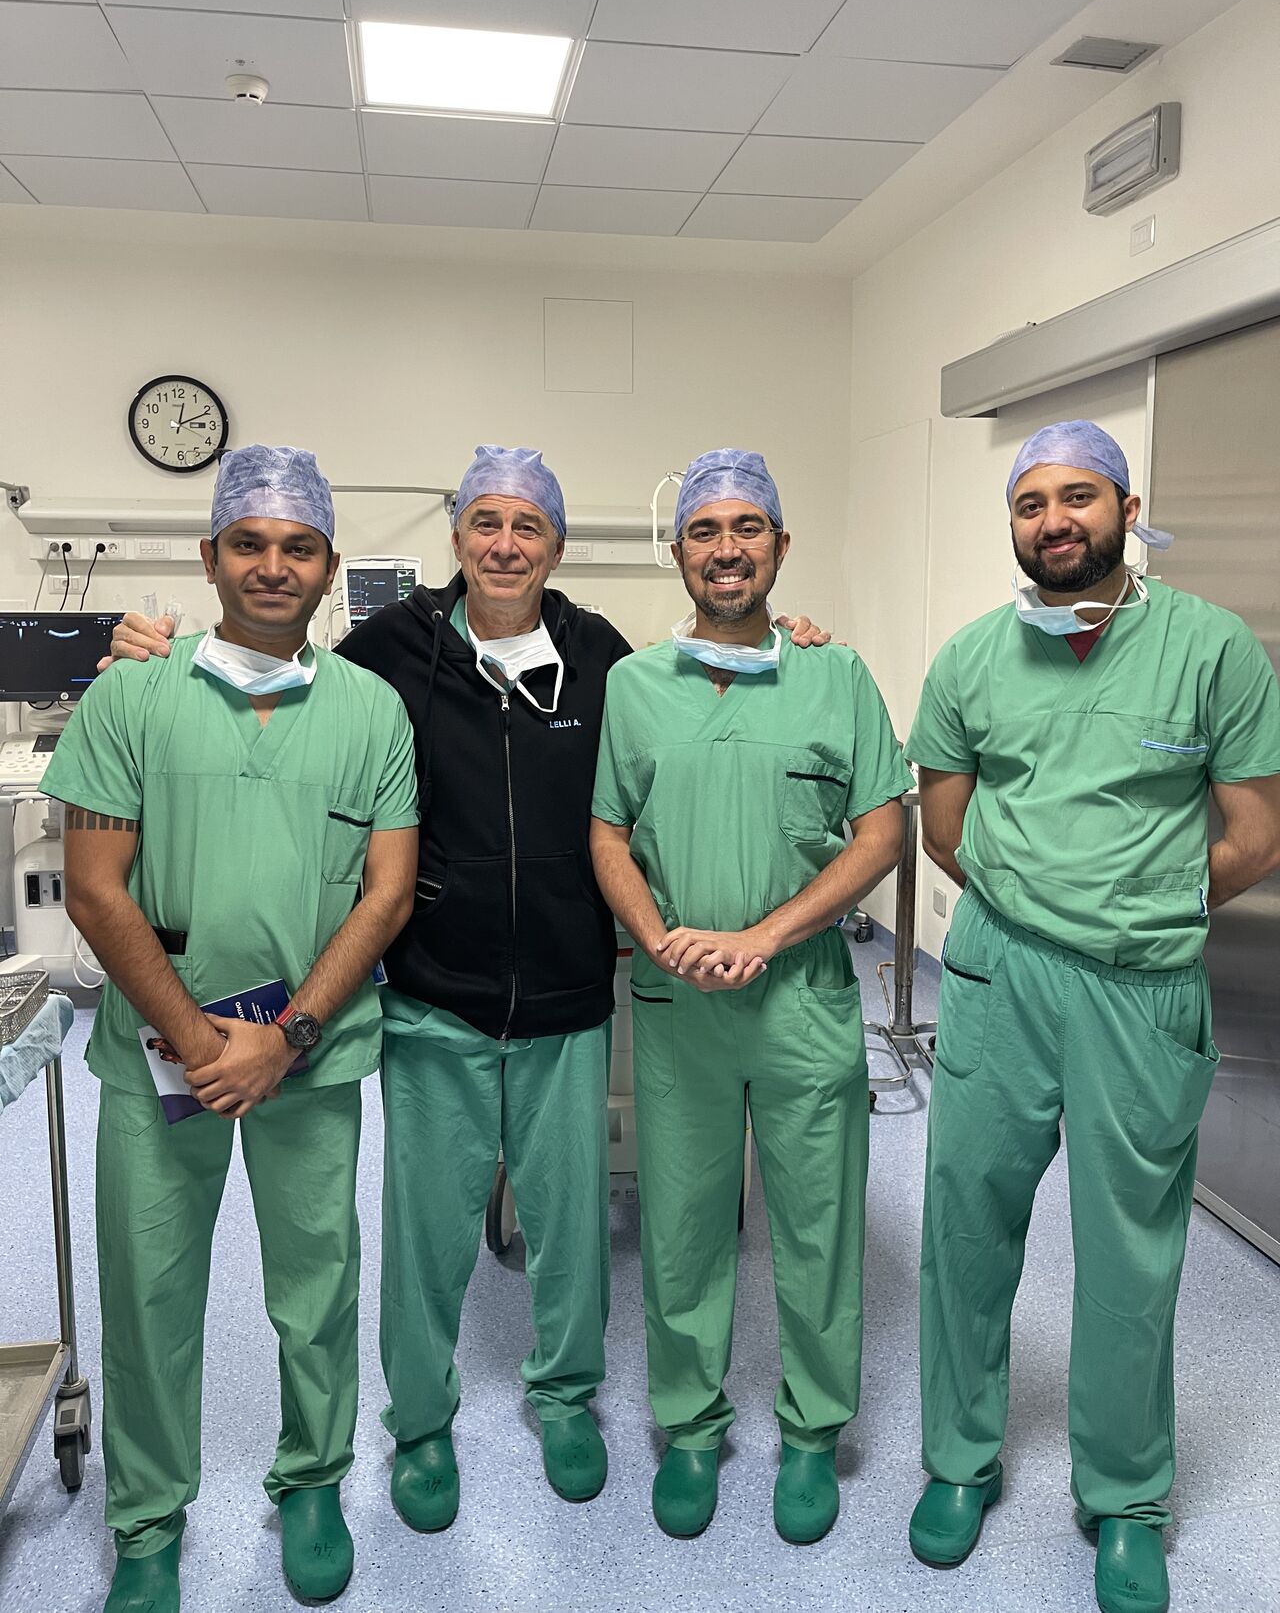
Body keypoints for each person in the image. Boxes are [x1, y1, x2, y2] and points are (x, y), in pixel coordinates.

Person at [105, 445, 833, 1535]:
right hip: (430, 993)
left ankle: (564, 1393)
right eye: (484, 522)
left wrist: (794, 644)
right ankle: (422, 1419)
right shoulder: (388, 652)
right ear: (456, 539)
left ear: (556, 545)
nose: (503, 544)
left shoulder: (600, 657)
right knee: (426, 1229)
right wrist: (149, 646)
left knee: (567, 1219)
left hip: (566, 991)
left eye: (526, 526)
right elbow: (277, 672)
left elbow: (661, 762)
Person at [904, 421, 1280, 1613]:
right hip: (998, 980)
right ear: (1010, 526)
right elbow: (944, 831)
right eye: (1028, 505)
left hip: (1140, 987)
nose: (1052, 521)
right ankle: (957, 1462)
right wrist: (1041, 911)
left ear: (1124, 506)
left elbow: (1255, 833)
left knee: (1130, 1256)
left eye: (1076, 498)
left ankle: (1124, 1498)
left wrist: (1139, 905)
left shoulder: (1212, 650)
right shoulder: (967, 658)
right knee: (965, 1230)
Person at [48, 446, 418, 1613]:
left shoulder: (369, 710)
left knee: (317, 1281)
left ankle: (311, 1480)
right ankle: (149, 1523)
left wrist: (288, 1036)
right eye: (248, 545)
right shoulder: (130, 697)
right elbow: (97, 888)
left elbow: (387, 894)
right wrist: (204, 1045)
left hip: (309, 1052)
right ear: (210, 558)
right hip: (162, 1056)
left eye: (296, 547)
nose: (272, 567)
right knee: (150, 1287)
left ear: (327, 569)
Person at [589, 449, 910, 1544]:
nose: (725, 549)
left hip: (803, 993)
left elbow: (883, 831)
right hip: (678, 1000)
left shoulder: (837, 677)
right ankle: (689, 1427)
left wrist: (767, 936)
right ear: (676, 551)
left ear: (779, 545)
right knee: (680, 1223)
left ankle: (812, 1433)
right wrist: (654, 938)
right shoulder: (634, 688)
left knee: (818, 1226)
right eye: (704, 531)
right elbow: (605, 831)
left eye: (747, 528)